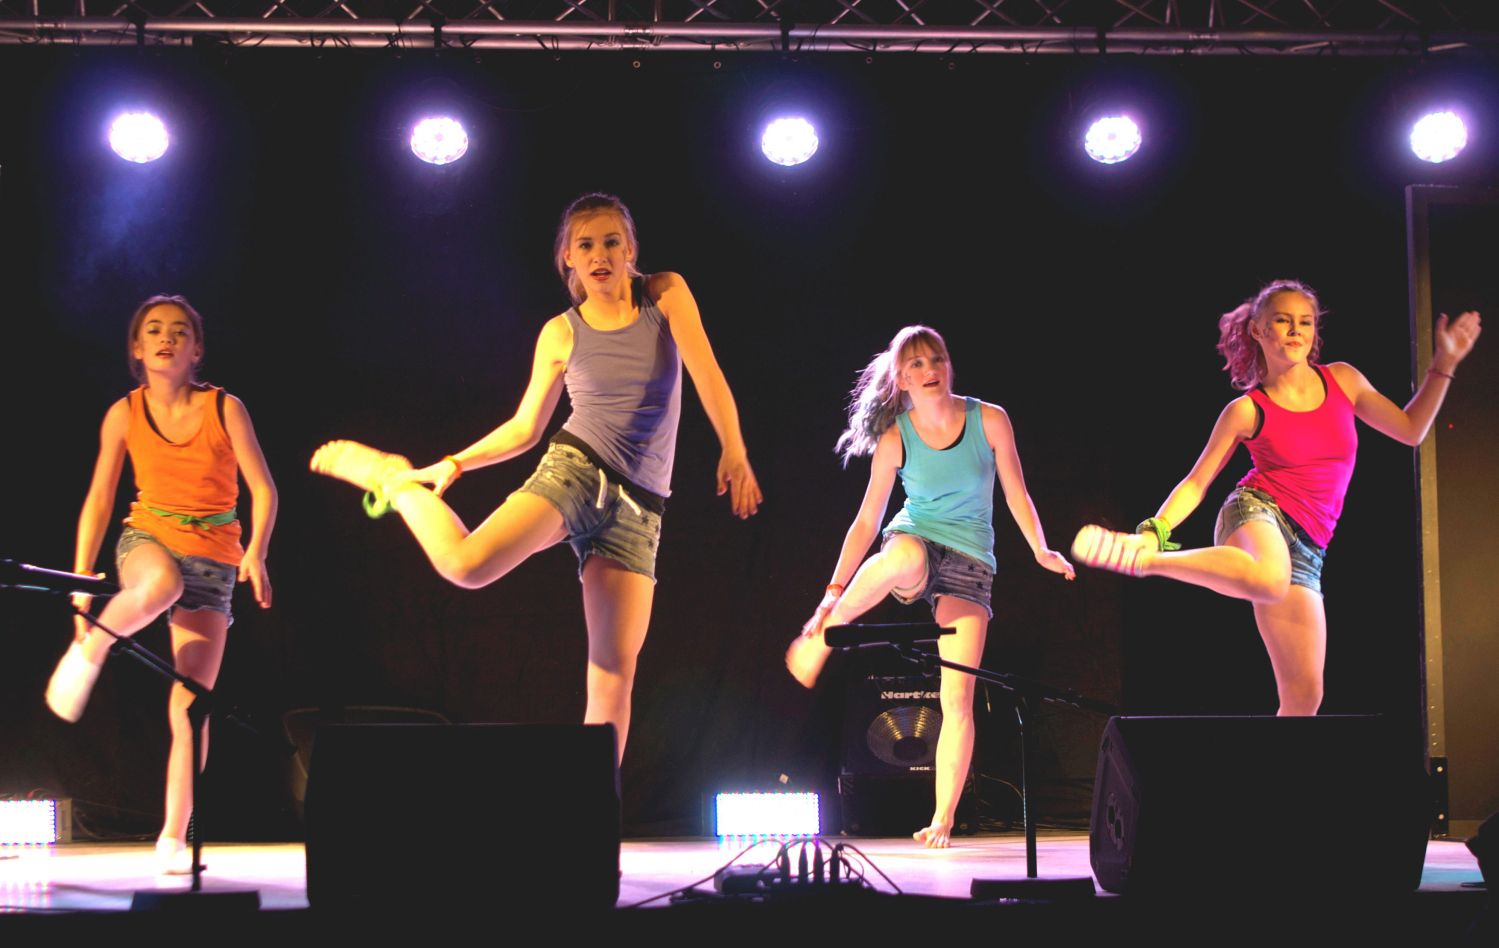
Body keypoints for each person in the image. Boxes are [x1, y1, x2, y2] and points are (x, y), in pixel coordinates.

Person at [310, 192, 761, 763]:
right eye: (585, 245)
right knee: (467, 565)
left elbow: (706, 371)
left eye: (611, 242)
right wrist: (454, 462)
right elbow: (526, 428)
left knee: (612, 676)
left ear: (630, 249)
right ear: (568, 258)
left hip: (641, 510)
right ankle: (394, 479)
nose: (599, 255)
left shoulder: (665, 293)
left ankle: (591, 809)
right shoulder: (562, 332)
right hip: (578, 470)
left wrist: (734, 449)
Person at [1071, 280, 1481, 715]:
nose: (1296, 330)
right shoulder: (1248, 410)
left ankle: (1278, 764)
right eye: (1283, 321)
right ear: (1258, 330)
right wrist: (1153, 533)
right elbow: (1195, 482)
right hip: (1257, 512)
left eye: (1305, 322)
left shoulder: (1343, 380)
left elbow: (1411, 430)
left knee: (1305, 697)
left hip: (1309, 549)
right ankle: (1145, 560)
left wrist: (1444, 363)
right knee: (1270, 577)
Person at [784, 325, 1074, 848]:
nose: (930, 370)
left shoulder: (989, 419)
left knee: (957, 695)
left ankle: (941, 818)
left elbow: (1016, 492)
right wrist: (832, 591)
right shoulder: (897, 436)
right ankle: (825, 630)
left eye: (936, 359)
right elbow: (867, 520)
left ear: (948, 365)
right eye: (916, 364)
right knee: (903, 555)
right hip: (916, 536)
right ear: (902, 379)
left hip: (971, 563)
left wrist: (1040, 548)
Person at [44, 294, 278, 874]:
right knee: (160, 585)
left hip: (214, 560)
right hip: (150, 539)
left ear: (197, 349)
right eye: (153, 330)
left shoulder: (225, 408)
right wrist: (81, 577)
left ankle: (172, 837)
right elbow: (100, 499)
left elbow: (264, 489)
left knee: (190, 708)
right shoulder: (124, 413)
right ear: (136, 348)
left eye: (179, 331)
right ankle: (89, 652)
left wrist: (257, 551)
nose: (166, 338)